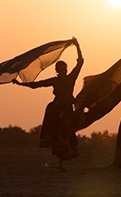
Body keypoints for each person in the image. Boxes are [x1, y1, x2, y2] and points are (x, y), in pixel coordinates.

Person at [13, 38, 83, 171]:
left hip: (67, 111)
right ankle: (60, 163)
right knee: (58, 137)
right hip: (57, 111)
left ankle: (61, 162)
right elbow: (37, 85)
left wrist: (78, 47)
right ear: (57, 70)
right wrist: (21, 84)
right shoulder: (54, 81)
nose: (63, 70)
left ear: (66, 69)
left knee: (67, 136)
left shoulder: (71, 78)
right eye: (60, 68)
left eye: (64, 68)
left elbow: (80, 63)